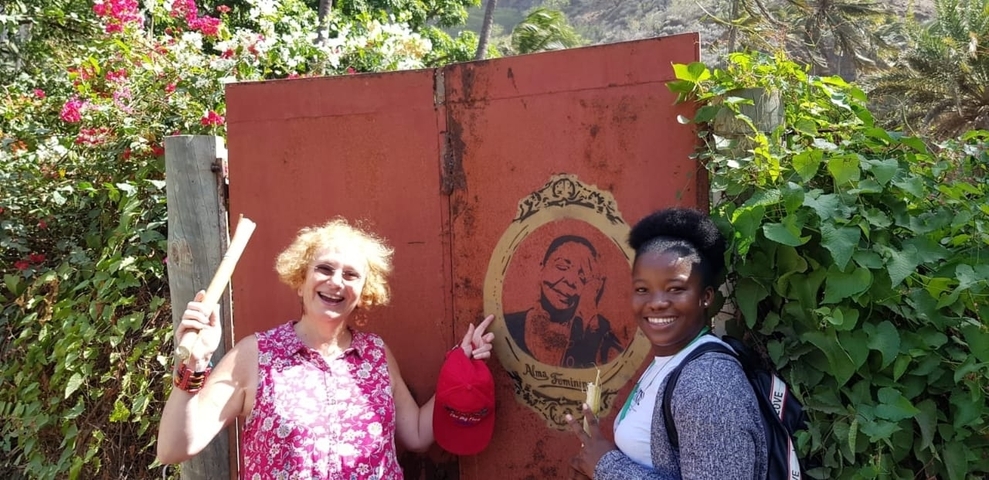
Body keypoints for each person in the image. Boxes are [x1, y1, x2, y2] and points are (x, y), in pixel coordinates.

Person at [156, 218, 495, 478]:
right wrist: (195, 362)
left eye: (351, 275)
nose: (336, 282)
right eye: (324, 269)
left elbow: (418, 433)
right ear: (300, 280)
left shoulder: (375, 355)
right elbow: (174, 448)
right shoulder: (256, 355)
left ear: (364, 291)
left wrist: (459, 369)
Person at [565, 208, 767, 479]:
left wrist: (605, 465)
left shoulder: (707, 384)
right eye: (642, 289)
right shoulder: (670, 361)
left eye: (675, 289)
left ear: (706, 296)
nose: (656, 303)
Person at [505, 235, 624, 368]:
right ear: (541, 268)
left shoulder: (599, 333)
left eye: (583, 277)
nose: (570, 280)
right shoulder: (508, 326)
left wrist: (588, 318)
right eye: (562, 267)